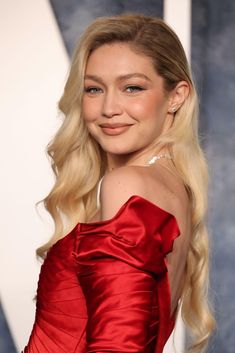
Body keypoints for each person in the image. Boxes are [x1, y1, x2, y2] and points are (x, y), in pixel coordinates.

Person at [23, 13, 215, 353]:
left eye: (132, 88)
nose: (109, 108)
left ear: (176, 96)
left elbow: (119, 346)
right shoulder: (172, 188)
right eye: (94, 89)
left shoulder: (127, 184)